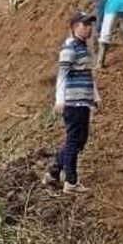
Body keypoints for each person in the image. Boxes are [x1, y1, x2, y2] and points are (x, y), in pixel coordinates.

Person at [43, 11, 100, 194]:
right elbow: (62, 75)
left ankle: (53, 173)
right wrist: (60, 100)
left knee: (78, 140)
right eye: (85, 25)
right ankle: (71, 182)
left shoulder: (83, 47)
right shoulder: (69, 49)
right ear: (75, 27)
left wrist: (95, 97)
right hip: (72, 103)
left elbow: (88, 75)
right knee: (75, 140)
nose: (89, 28)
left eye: (90, 24)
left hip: (82, 101)